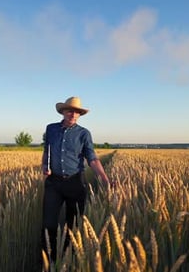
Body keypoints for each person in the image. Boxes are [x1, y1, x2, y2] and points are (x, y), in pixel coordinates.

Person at [41, 96, 111, 261]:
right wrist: (45, 165)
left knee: (72, 226)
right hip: (54, 183)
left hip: (75, 183)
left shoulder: (84, 134)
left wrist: (104, 179)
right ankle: (47, 261)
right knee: (48, 224)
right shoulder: (51, 129)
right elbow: (46, 151)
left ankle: (68, 260)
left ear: (80, 115)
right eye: (70, 110)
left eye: (77, 112)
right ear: (63, 111)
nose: (73, 114)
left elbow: (92, 159)